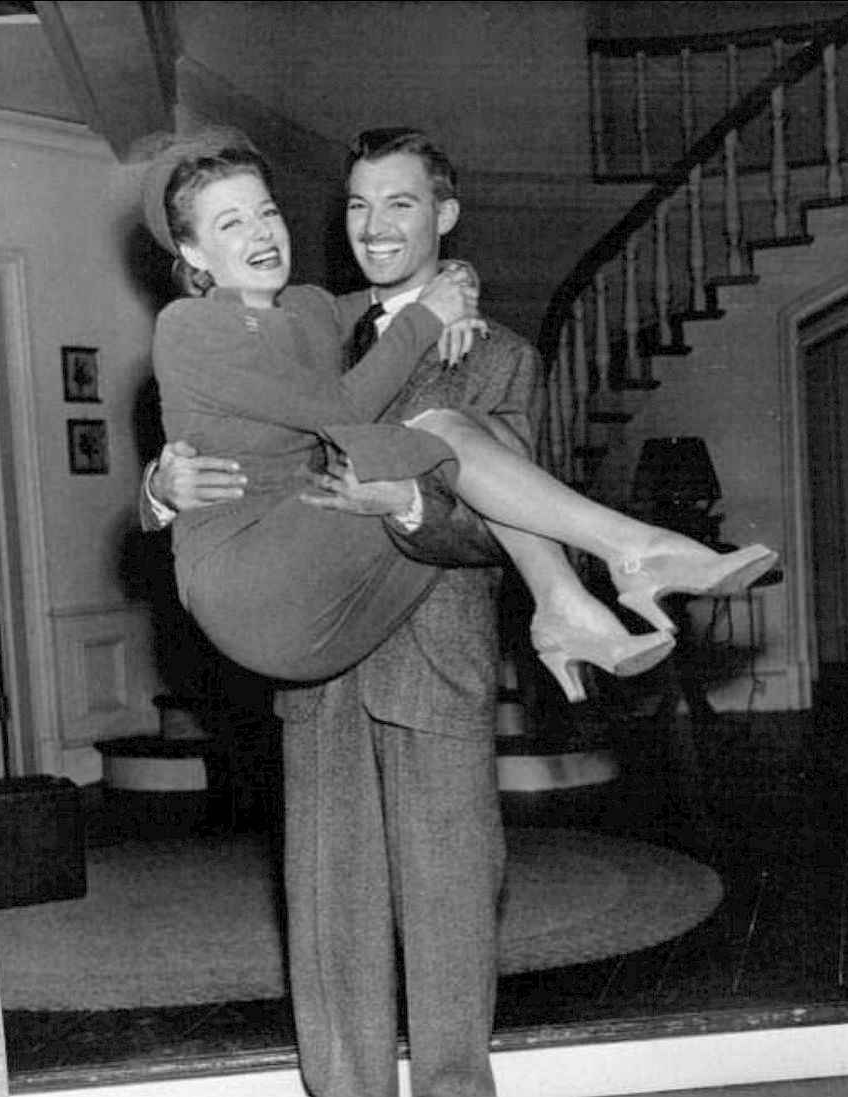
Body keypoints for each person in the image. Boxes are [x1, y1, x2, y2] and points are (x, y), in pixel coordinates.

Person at [139, 127, 774, 1097]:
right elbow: (233, 434)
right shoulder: (305, 316)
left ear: (444, 215)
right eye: (357, 205)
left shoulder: (500, 354)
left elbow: (502, 521)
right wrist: (158, 486)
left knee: (450, 914)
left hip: (430, 656)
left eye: (400, 203)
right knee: (332, 921)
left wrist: (406, 500)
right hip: (316, 659)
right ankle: (600, 581)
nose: (374, 225)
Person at [141, 128, 777, 701]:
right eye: (230, 223)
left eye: (267, 212)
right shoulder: (187, 325)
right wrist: (158, 488)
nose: (260, 233)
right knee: (442, 425)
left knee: (483, 432)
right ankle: (630, 551)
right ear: (192, 252)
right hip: (248, 588)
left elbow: (405, 292)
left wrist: (458, 281)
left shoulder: (309, 309)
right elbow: (341, 407)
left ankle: (564, 604)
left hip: (321, 572)